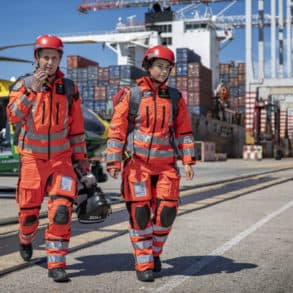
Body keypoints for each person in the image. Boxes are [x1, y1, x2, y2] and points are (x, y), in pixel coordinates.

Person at [106, 45, 195, 282]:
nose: (164, 71)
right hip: (137, 167)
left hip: (166, 167)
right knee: (141, 214)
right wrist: (114, 160)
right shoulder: (132, 95)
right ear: (148, 67)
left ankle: (155, 252)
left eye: (168, 68)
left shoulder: (175, 98)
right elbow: (117, 130)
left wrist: (187, 160)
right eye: (159, 66)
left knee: (167, 213)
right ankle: (143, 263)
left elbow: (184, 131)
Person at [6, 34, 89, 282]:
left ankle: (57, 263)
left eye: (55, 58)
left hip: (61, 162)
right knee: (29, 213)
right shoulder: (23, 85)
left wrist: (82, 161)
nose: (50, 63)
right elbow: (13, 117)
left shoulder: (70, 89)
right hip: (32, 160)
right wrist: (32, 91)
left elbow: (76, 129)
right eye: (46, 58)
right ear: (37, 58)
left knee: (62, 211)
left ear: (60, 59)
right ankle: (25, 237)